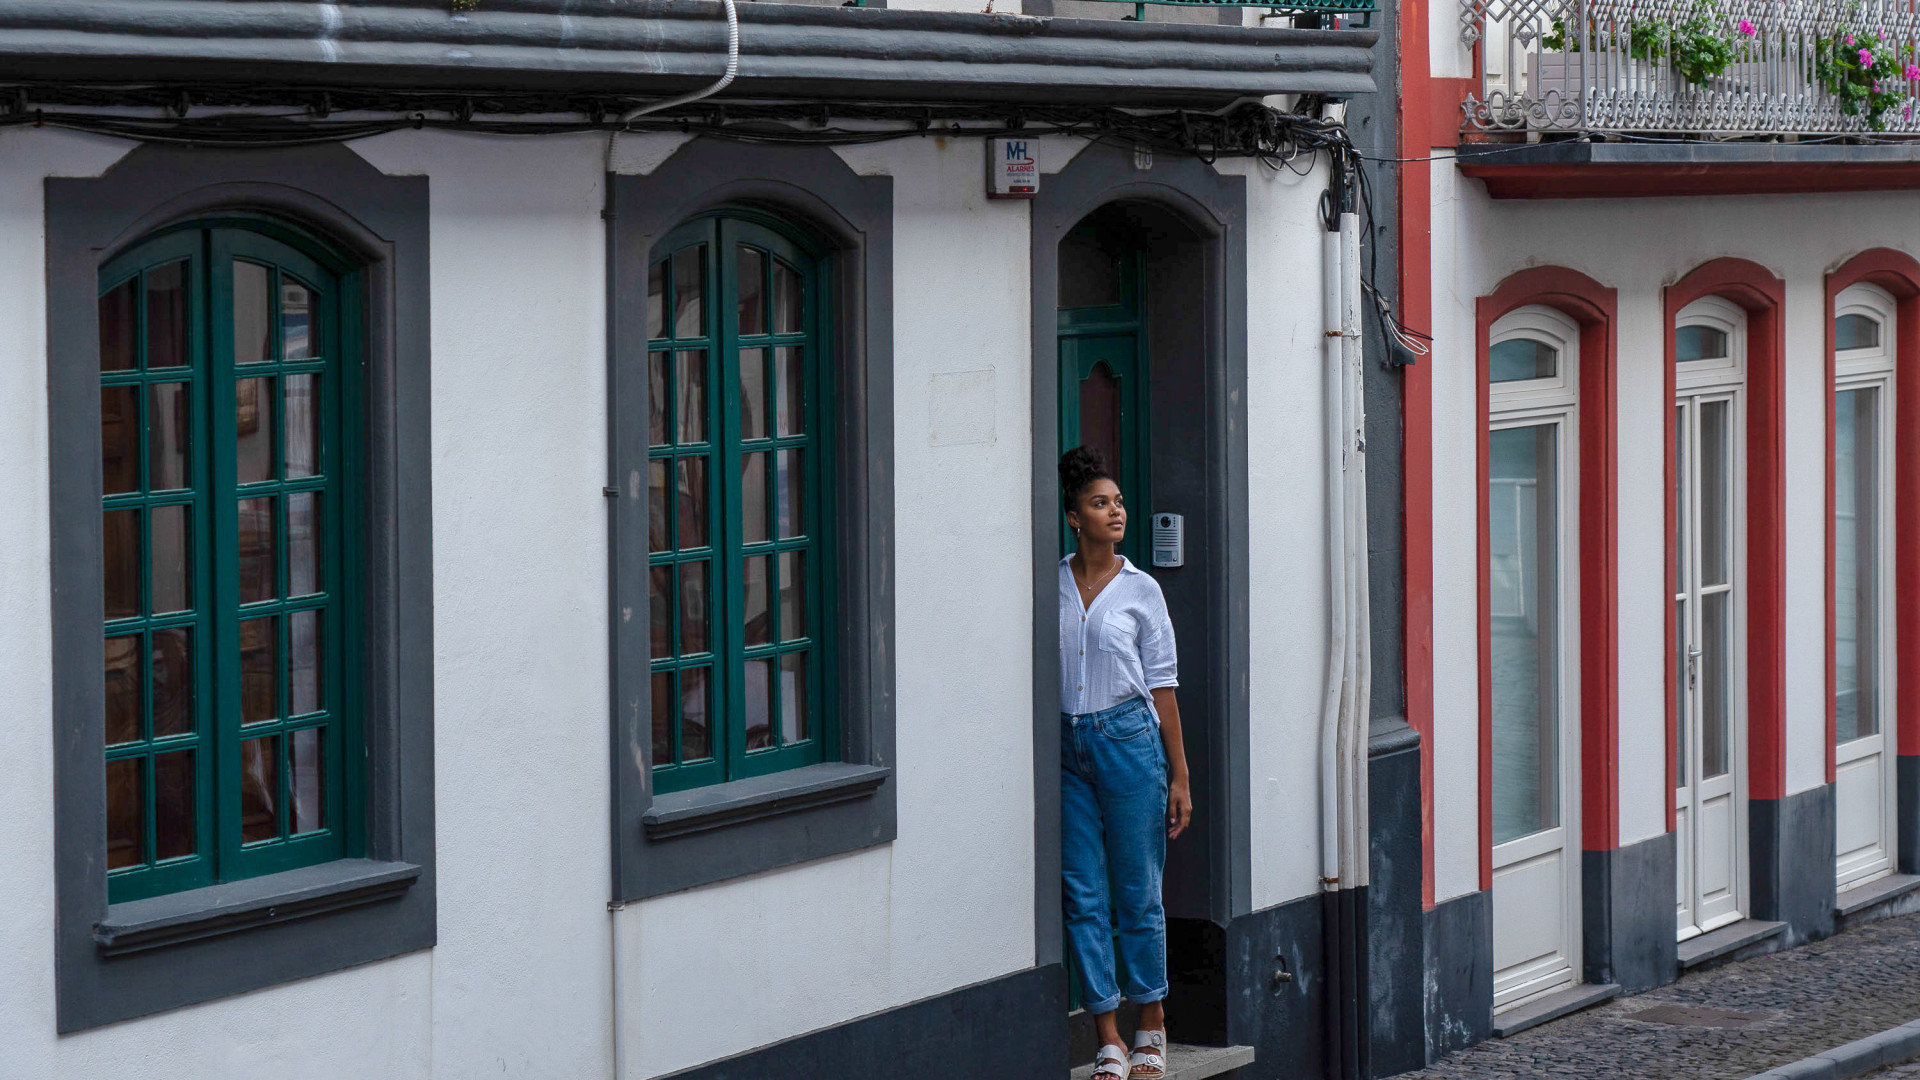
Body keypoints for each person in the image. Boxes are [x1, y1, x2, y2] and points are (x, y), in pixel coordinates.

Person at [1058, 445, 1193, 1080]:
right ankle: (1106, 1034)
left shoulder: (1143, 591)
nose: (1116, 512)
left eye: (1117, 502)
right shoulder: (1052, 584)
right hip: (1066, 749)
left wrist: (1179, 776)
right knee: (1083, 893)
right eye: (1099, 503)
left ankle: (1152, 1024)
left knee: (1137, 893)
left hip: (1130, 741)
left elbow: (1162, 687)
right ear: (1073, 517)